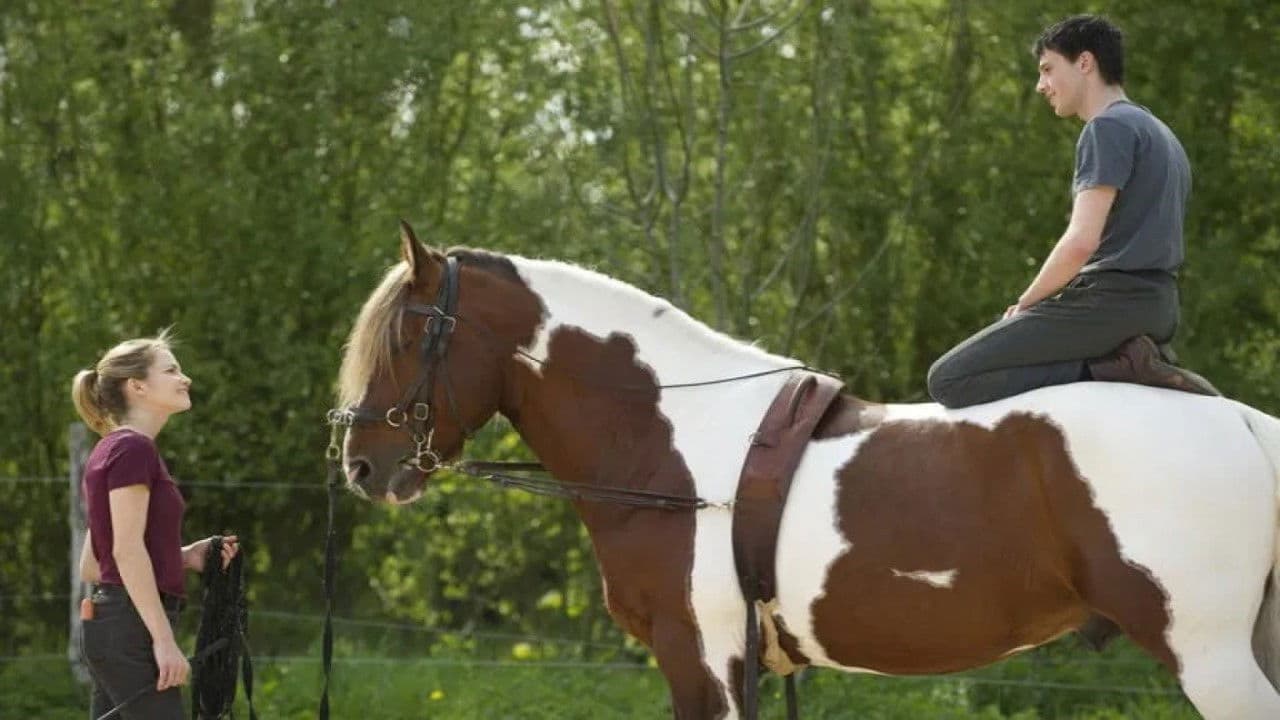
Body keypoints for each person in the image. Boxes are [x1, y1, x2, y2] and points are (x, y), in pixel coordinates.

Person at [926, 14, 1218, 409]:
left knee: (949, 378)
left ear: (1084, 62)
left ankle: (1116, 368)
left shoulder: (1107, 128)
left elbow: (1081, 241)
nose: (1040, 85)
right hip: (1160, 306)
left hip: (1110, 303)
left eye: (1048, 69)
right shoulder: (1160, 133)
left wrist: (1026, 304)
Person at [72, 331, 240, 719]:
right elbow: (126, 551)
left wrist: (184, 556)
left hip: (113, 627)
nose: (185, 378)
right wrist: (163, 640)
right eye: (171, 370)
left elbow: (94, 566)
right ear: (137, 386)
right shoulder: (133, 450)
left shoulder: (112, 448)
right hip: (131, 630)